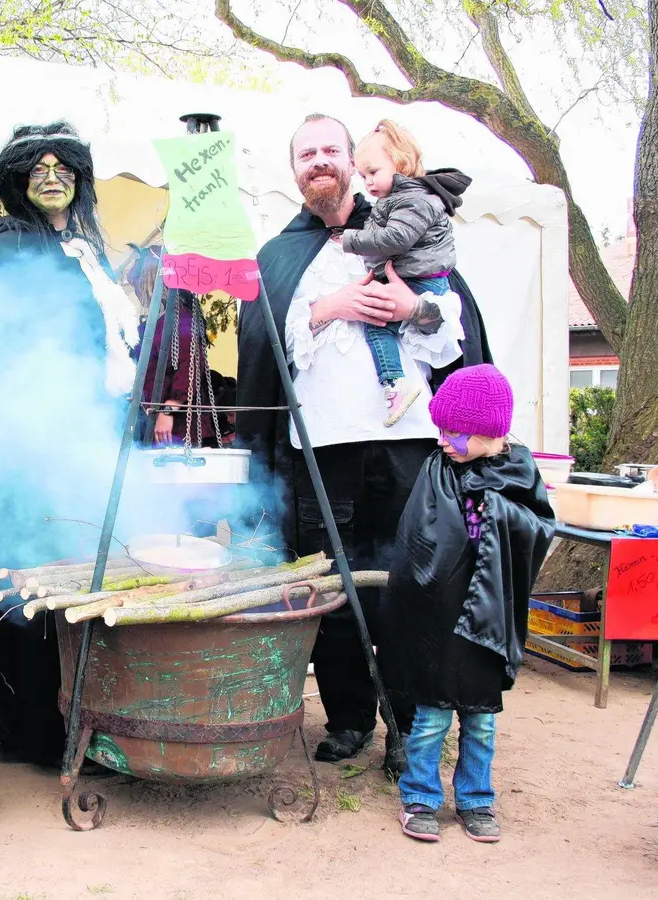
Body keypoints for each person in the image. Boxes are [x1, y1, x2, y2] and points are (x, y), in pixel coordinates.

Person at [235, 113, 493, 765]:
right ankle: (349, 718)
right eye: (304, 153)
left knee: (411, 583)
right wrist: (327, 308)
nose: (318, 160)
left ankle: (409, 724)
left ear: (352, 161)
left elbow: (451, 333)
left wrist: (412, 309)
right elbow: (266, 348)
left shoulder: (405, 234)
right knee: (335, 586)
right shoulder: (279, 257)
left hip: (407, 445)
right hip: (320, 452)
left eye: (330, 149)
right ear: (294, 172)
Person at [0, 121, 137, 770]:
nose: (52, 179)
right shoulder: (10, 245)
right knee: (28, 577)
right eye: (38, 170)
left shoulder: (85, 249)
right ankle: (28, 724)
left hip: (87, 431)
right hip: (29, 441)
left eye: (64, 169)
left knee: (75, 566)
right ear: (19, 181)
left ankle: (76, 709)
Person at [377, 364, 555, 843]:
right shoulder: (438, 470)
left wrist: (494, 509)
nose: (441, 442)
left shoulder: (518, 472)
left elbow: (539, 528)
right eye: (440, 431)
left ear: (489, 433)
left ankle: (477, 801)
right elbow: (420, 539)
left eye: (452, 433)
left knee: (480, 724)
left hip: (486, 626)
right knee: (431, 721)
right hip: (438, 621)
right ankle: (420, 798)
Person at [334, 120, 471, 426]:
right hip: (413, 277)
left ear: (401, 163)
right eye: (362, 176)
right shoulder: (398, 200)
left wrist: (348, 239)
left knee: (378, 325)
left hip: (420, 282)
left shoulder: (413, 200)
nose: (367, 182)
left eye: (374, 172)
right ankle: (396, 385)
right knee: (378, 324)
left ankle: (395, 384)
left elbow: (394, 239)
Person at [121, 246, 220, 449]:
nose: (138, 291)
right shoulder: (148, 326)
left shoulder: (182, 320)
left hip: (179, 427)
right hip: (151, 424)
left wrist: (168, 411)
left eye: (138, 284)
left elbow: (189, 369)